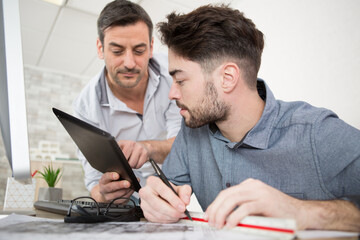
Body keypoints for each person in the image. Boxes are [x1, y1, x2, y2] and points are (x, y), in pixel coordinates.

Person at [139, 4, 360, 231]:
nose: (172, 94)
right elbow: (163, 197)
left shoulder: (316, 132)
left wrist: (299, 211)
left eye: (181, 80)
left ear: (227, 77)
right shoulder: (192, 130)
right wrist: (156, 204)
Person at [73, 0, 181, 203]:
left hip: (173, 191)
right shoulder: (86, 107)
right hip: (125, 204)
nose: (130, 63)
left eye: (139, 51)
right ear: (100, 48)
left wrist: (148, 148)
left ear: (150, 47)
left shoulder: (174, 73)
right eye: (117, 51)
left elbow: (183, 145)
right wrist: (104, 193)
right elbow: (94, 184)